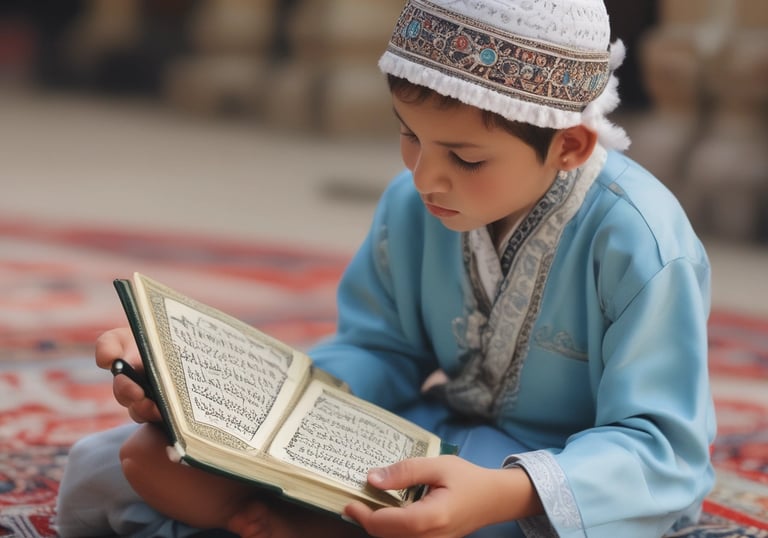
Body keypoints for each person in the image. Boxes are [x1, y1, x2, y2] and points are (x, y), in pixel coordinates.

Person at [56, 0, 717, 536]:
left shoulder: (640, 241)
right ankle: (288, 516)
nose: (425, 176)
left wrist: (503, 495)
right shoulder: (413, 204)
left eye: (465, 157)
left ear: (569, 145)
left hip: (554, 480)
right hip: (437, 440)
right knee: (117, 463)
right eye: (409, 133)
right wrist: (201, 396)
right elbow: (378, 349)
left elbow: (663, 449)